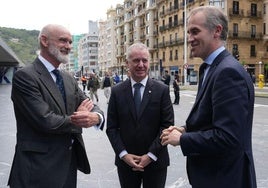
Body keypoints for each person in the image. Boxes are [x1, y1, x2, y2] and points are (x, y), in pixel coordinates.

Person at [160, 6, 257, 188]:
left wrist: (182, 140)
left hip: (226, 179)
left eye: (195, 31)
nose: (190, 39)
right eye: (188, 32)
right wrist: (185, 129)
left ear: (217, 31)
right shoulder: (210, 68)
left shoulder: (227, 72)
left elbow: (229, 138)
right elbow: (211, 120)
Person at [8, 24, 105, 188]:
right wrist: (78, 119)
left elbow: (89, 103)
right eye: (63, 41)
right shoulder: (25, 76)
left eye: (69, 42)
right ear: (44, 41)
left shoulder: (67, 78)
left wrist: (96, 117)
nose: (68, 46)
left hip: (67, 167)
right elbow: (45, 120)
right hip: (37, 170)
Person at [106, 43, 174, 188]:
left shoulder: (162, 90)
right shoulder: (117, 92)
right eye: (136, 60)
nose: (141, 65)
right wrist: (124, 154)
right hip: (126, 164)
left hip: (155, 161)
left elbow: (167, 126)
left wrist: (150, 156)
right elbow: (111, 128)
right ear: (127, 64)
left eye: (144, 60)